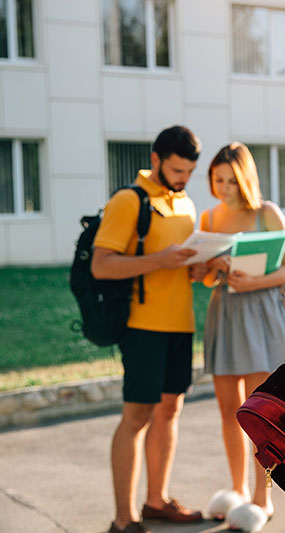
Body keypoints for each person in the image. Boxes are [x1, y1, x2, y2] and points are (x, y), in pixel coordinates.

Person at [92, 126, 206, 533]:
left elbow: (183, 268)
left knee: (170, 412)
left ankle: (156, 501)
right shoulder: (128, 201)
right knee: (137, 415)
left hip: (180, 325)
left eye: (189, 172)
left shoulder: (186, 204)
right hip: (141, 327)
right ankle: (124, 520)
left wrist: (203, 267)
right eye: (177, 170)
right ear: (155, 159)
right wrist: (161, 259)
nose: (183, 178)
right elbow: (101, 265)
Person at [200, 142, 285, 526]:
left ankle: (262, 497)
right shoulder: (209, 217)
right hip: (224, 313)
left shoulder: (267, 213)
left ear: (245, 178)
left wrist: (253, 281)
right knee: (228, 411)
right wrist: (212, 266)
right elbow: (206, 277)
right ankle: (238, 490)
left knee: (257, 414)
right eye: (216, 179)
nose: (223, 187)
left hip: (260, 314)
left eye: (229, 179)